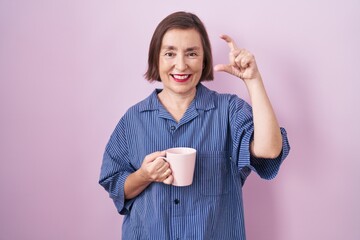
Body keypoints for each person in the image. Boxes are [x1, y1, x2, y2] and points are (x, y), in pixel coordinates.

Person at [99, 11, 290, 240]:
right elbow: (117, 187)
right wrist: (144, 175)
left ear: (204, 59)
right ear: (156, 59)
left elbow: (269, 150)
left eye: (191, 53)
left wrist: (253, 80)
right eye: (170, 53)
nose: (181, 65)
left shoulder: (228, 110)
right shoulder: (133, 119)